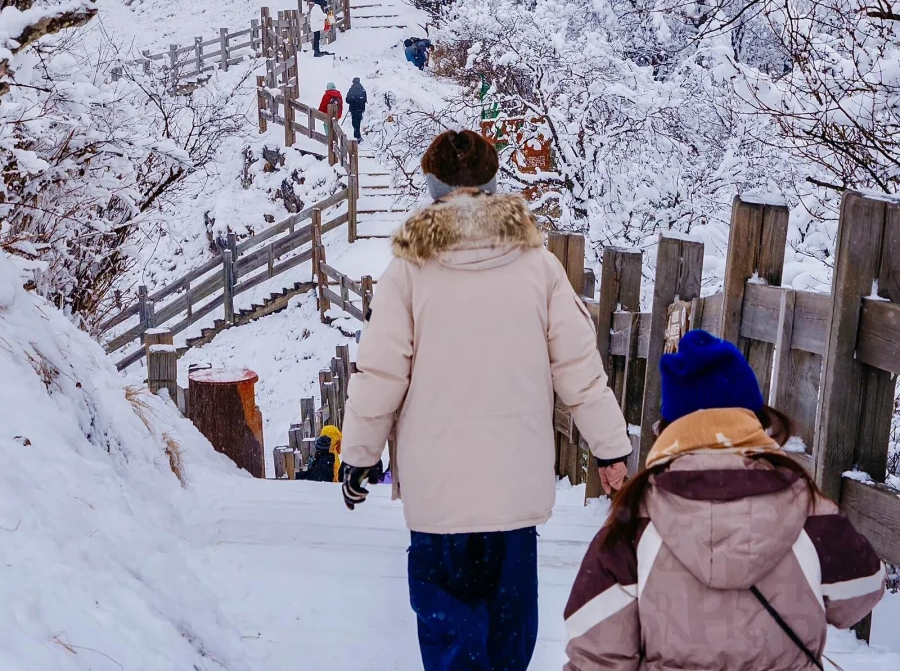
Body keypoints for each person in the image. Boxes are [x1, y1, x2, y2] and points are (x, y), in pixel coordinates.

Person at [339, 130, 631, 671]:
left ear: (431, 187)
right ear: (494, 186)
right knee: (508, 640)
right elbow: (580, 370)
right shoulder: (538, 267)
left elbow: (379, 373)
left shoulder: (407, 273)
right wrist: (611, 450)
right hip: (513, 497)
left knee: (452, 642)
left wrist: (359, 455)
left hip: (437, 500)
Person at [564, 328, 884, 671]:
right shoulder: (808, 509)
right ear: (755, 418)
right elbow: (861, 592)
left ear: (668, 426)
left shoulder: (636, 520)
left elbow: (594, 649)